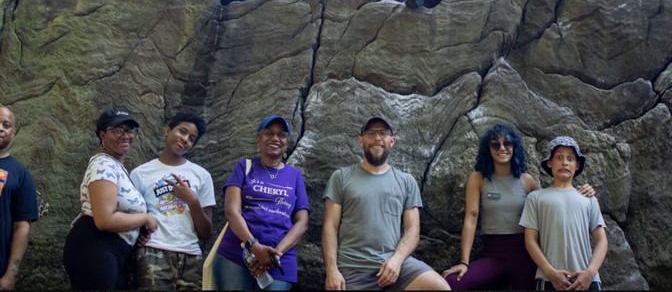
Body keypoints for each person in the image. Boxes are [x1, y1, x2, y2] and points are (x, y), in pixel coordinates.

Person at [441, 125, 594, 291]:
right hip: (495, 253)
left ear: (514, 147)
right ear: (488, 149)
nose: (502, 148)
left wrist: (581, 191)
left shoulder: (527, 180)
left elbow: (552, 203)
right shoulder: (478, 178)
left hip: (526, 253)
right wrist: (464, 262)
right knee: (452, 282)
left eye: (507, 143)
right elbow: (471, 219)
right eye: (495, 144)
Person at [322, 116, 450, 291]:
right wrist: (332, 271)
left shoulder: (406, 181)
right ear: (360, 141)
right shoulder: (341, 177)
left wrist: (396, 261)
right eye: (371, 133)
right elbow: (330, 226)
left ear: (392, 141)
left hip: (395, 266)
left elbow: (412, 230)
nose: (377, 138)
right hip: (352, 269)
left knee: (439, 287)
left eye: (383, 133)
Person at [62, 108, 158, 290]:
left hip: (111, 250)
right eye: (118, 130)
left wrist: (138, 233)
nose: (126, 135)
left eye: (129, 130)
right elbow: (105, 220)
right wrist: (146, 219)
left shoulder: (116, 166)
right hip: (95, 245)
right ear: (102, 135)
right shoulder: (103, 164)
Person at [213, 116, 310, 291]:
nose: (275, 138)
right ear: (259, 139)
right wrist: (254, 247)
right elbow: (232, 212)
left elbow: (302, 222)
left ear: (287, 143)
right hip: (237, 253)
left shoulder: (295, 175)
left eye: (281, 135)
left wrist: (275, 254)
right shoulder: (244, 167)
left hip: (280, 258)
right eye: (269, 133)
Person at [130, 111, 216, 290]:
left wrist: (192, 202)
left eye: (191, 138)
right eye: (182, 131)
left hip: (191, 256)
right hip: (153, 252)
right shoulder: (140, 173)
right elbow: (131, 218)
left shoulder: (202, 175)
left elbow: (206, 232)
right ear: (167, 131)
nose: (185, 139)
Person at [520, 136, 608, 291]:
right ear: (549, 162)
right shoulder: (536, 198)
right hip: (549, 280)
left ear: (577, 165)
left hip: (587, 280)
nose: (565, 163)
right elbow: (530, 241)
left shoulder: (588, 199)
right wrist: (550, 272)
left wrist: (590, 273)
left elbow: (602, 240)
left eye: (570, 159)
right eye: (559, 157)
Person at [0, 107, 38, 291]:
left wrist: (10, 274)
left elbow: (21, 227)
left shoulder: (21, 174)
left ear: (13, 132)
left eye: (6, 125)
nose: (0, 128)